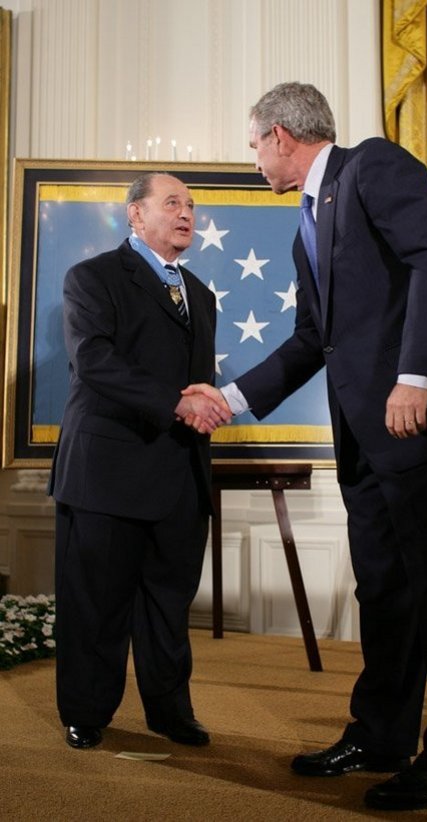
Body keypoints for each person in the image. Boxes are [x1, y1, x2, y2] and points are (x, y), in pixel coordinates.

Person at [181, 83, 427, 811]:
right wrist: (227, 400)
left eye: (253, 144)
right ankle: (380, 735)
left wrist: (414, 375)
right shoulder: (307, 220)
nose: (253, 158)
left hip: (423, 422)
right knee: (384, 591)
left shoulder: (373, 167)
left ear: (280, 135)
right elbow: (310, 341)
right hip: (366, 438)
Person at [49, 172, 231, 751]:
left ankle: (170, 712)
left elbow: (197, 380)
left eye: (192, 206)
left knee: (168, 608)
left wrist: (204, 402)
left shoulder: (200, 295)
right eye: (172, 202)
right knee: (96, 607)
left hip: (179, 478)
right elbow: (94, 362)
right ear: (135, 214)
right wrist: (179, 403)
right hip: (107, 475)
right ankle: (86, 712)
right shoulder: (92, 278)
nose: (186, 214)